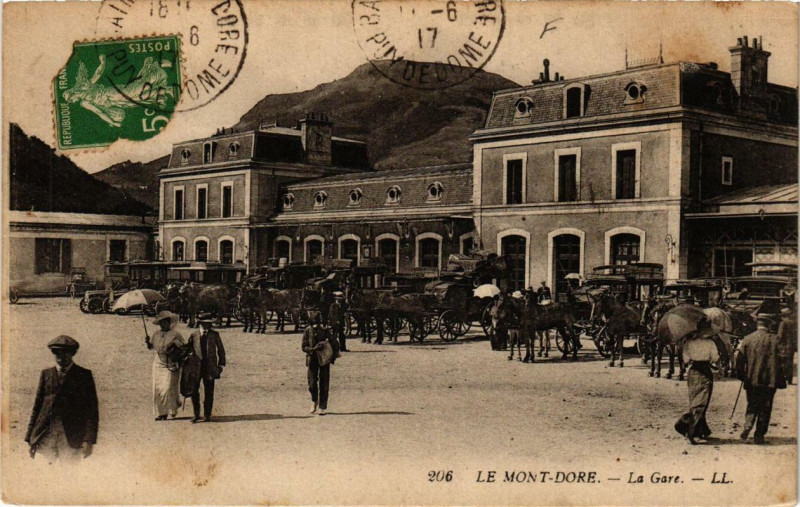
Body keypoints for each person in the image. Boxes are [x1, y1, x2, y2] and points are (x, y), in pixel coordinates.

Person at [25, 335, 98, 462]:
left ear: (72, 354)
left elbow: (91, 411)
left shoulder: (83, 375)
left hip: (72, 436)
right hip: (46, 434)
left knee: (69, 475)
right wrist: (30, 437)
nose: (60, 357)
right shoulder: (46, 374)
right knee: (44, 474)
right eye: (57, 353)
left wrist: (88, 440)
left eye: (65, 353)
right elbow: (37, 407)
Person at [735, 315, 787, 444]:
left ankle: (747, 426)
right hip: (770, 380)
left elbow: (739, 360)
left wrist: (742, 375)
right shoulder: (775, 339)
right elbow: (783, 359)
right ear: (769, 325)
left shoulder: (747, 339)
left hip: (751, 378)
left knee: (752, 403)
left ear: (757, 324)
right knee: (765, 406)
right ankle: (759, 436)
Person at [676, 317, 719, 444]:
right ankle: (690, 430)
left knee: (695, 401)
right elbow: (715, 358)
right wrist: (720, 368)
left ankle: (701, 430)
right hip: (705, 371)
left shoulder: (689, 343)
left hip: (693, 371)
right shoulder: (710, 343)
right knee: (703, 402)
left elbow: (685, 360)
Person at [147, 311, 185, 421]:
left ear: (169, 323)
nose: (163, 325)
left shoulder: (175, 334)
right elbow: (152, 348)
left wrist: (173, 348)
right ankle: (161, 413)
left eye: (166, 322)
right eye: (161, 323)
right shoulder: (156, 335)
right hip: (158, 364)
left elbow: (183, 348)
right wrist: (148, 343)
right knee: (158, 389)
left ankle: (172, 409)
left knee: (168, 388)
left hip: (171, 365)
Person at [187, 319, 226, 423]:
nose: (206, 326)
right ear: (200, 324)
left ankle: (207, 415)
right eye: (204, 324)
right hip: (196, 367)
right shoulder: (194, 335)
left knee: (209, 391)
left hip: (210, 367)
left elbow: (221, 350)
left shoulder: (215, 334)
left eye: (208, 324)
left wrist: (221, 365)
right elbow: (188, 349)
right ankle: (196, 414)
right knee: (194, 391)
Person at [302, 311, 339, 415]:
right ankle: (314, 401)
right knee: (312, 383)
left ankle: (322, 406)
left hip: (323, 359)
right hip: (312, 359)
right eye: (314, 324)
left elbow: (335, 343)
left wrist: (332, 355)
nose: (316, 326)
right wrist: (312, 349)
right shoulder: (307, 331)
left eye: (318, 324)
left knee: (324, 383)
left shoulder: (325, 331)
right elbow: (303, 346)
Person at [777, 305, 797, 385]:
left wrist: (777, 343)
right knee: (789, 363)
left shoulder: (783, 323)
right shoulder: (793, 323)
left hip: (783, 346)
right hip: (791, 346)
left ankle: (782, 379)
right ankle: (789, 379)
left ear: (783, 315)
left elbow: (780, 335)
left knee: (782, 362)